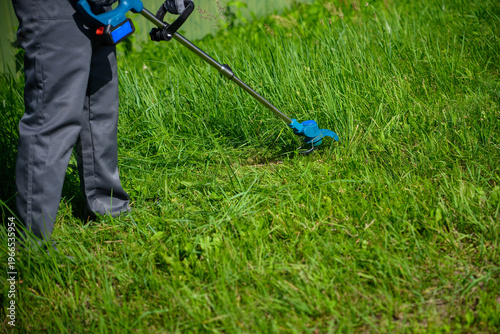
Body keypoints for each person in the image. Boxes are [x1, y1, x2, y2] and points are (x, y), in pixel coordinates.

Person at [12, 0, 188, 248]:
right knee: (54, 116)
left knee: (99, 104)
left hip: (99, 4)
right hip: (55, 6)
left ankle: (108, 207)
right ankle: (31, 246)